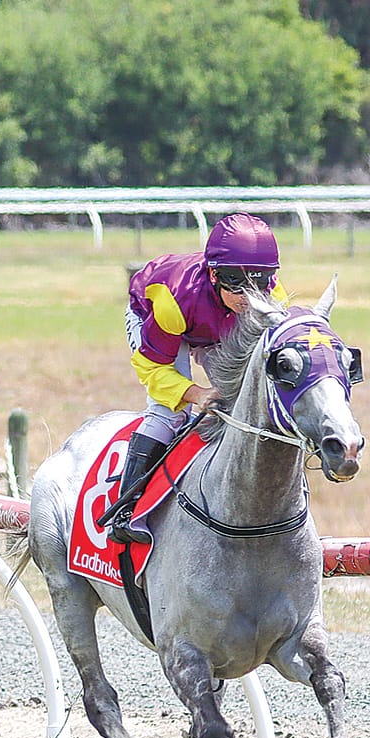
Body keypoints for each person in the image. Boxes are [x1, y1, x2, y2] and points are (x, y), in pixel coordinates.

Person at [104, 211, 285, 544]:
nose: (248, 296)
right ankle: (124, 510)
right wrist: (196, 393)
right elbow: (152, 368)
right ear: (214, 275)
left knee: (244, 399)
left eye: (260, 282)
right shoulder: (175, 298)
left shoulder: (271, 299)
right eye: (235, 281)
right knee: (169, 413)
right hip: (160, 319)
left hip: (218, 328)